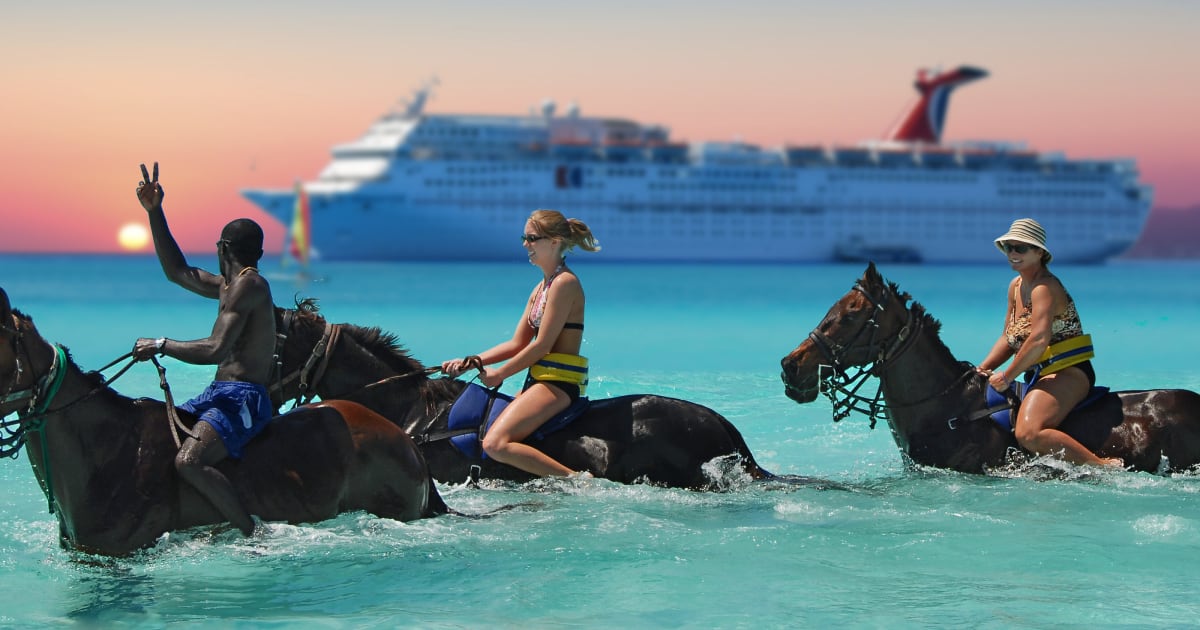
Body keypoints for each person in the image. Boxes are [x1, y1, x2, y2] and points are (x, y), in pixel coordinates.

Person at [130, 162, 278, 535]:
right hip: (218, 393)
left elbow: (215, 349)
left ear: (222, 247)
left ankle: (250, 533)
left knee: (189, 462)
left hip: (244, 399)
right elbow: (177, 271)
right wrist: (155, 212)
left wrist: (162, 345)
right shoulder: (228, 285)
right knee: (163, 439)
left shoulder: (249, 286)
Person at [441, 209, 600, 478]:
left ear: (554, 241)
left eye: (532, 238)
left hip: (557, 385)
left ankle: (579, 483)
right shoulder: (541, 288)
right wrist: (471, 363)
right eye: (524, 238)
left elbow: (542, 347)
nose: (525, 244)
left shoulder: (565, 284)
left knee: (495, 443)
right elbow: (517, 343)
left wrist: (500, 374)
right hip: (537, 381)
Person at [976, 218, 1123, 468]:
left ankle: (1103, 467)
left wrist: (1008, 376)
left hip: (1067, 371)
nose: (1013, 253)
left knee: (1029, 433)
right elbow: (1009, 338)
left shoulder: (1045, 287)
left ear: (1039, 253)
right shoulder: (1016, 286)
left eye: (1020, 248)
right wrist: (981, 369)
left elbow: (1038, 339)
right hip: (1038, 373)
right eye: (1008, 247)